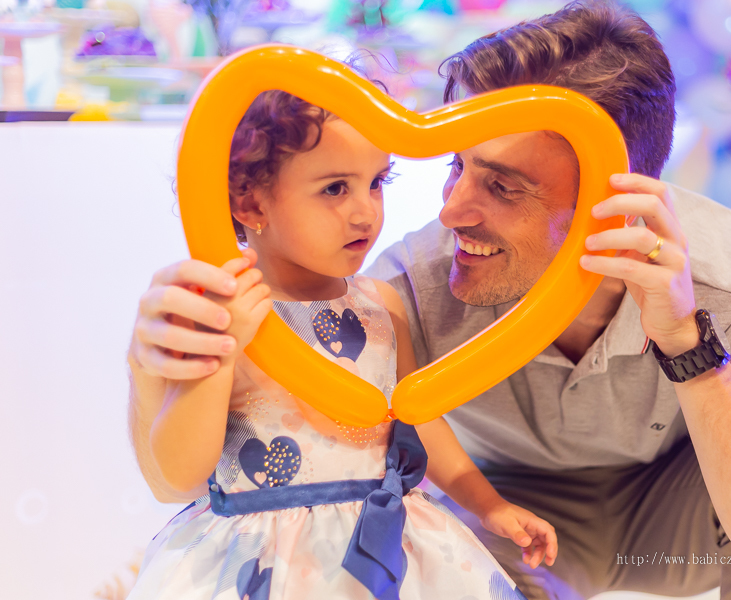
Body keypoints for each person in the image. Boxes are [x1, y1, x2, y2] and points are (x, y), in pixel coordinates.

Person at [128, 2, 731, 599]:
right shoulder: (402, 286)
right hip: (516, 518)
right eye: (455, 166)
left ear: (615, 203)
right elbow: (200, 461)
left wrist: (690, 344)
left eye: (503, 186)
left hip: (673, 511)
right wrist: (154, 363)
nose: (451, 212)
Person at [127, 90, 557, 600]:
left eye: (376, 183)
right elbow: (180, 472)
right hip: (263, 557)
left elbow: (417, 415)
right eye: (334, 189)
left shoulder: (383, 303)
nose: (365, 213)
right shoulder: (219, 310)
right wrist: (221, 357)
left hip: (387, 542)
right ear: (250, 201)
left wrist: (488, 505)